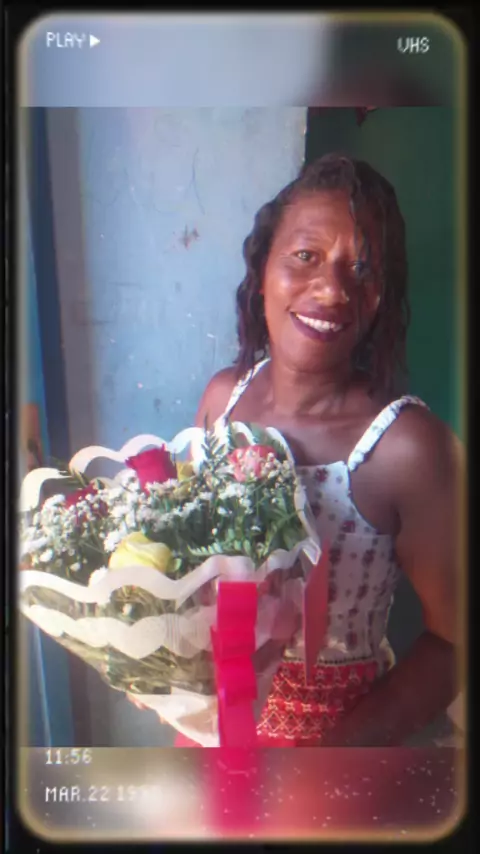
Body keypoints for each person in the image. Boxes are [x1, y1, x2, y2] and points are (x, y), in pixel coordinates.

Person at [133, 153, 462, 747]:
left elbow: (454, 640)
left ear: (381, 296)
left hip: (345, 747)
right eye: (306, 256)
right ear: (263, 269)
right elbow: (187, 567)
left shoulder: (409, 449)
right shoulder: (222, 401)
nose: (333, 289)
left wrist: (333, 758)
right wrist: (164, 673)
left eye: (363, 269)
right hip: (215, 732)